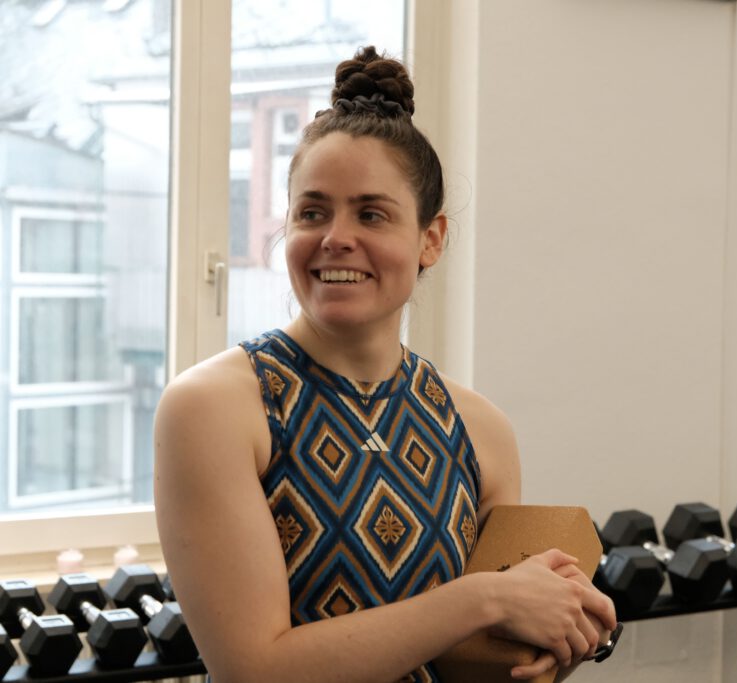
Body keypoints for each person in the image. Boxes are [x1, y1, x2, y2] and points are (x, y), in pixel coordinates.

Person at [154, 46, 616, 683]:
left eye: (371, 213)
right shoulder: (214, 408)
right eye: (312, 212)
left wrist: (556, 635)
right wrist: (485, 598)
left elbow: (479, 663)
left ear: (431, 239)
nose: (335, 237)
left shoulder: (480, 431)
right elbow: (254, 669)